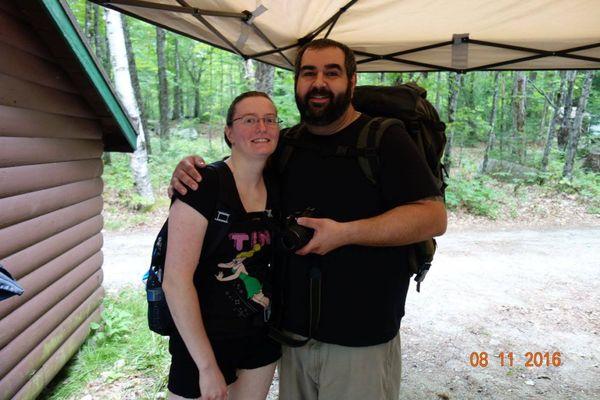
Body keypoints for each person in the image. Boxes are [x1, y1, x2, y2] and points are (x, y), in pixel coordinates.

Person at [169, 39, 447, 400]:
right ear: (296, 82)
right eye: (308, 73)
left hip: (359, 339)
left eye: (332, 72)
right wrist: (189, 172)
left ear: (352, 80)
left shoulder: (383, 138)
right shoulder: (286, 145)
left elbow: (433, 217)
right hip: (292, 338)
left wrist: (345, 234)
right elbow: (237, 171)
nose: (319, 83)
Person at [163, 91, 281, 400]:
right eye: (249, 120)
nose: (262, 127)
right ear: (228, 132)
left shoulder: (279, 187)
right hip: (202, 343)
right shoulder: (201, 185)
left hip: (259, 339)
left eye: (270, 119)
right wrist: (206, 366)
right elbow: (175, 282)